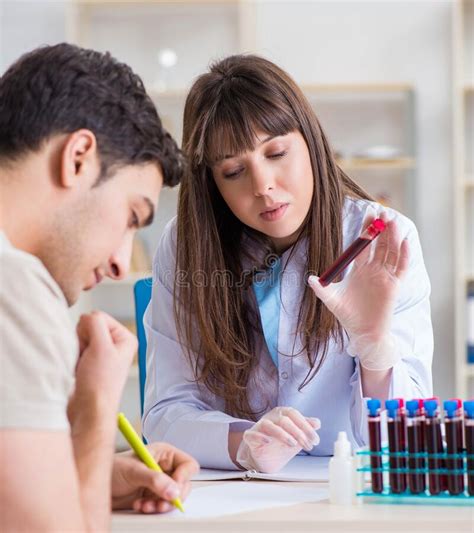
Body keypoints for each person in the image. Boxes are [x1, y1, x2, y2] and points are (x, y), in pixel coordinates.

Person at [142, 54, 433, 473]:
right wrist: (243, 442)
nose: (263, 186)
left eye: (276, 152)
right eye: (233, 171)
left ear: (310, 141)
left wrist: (375, 350)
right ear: (211, 183)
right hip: (235, 490)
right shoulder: (186, 247)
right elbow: (165, 412)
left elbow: (406, 441)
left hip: (346, 488)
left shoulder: (380, 239)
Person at [0, 43, 198, 532]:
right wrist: (95, 410)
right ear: (79, 157)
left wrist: (87, 472)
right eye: (132, 217)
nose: (117, 262)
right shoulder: (17, 286)